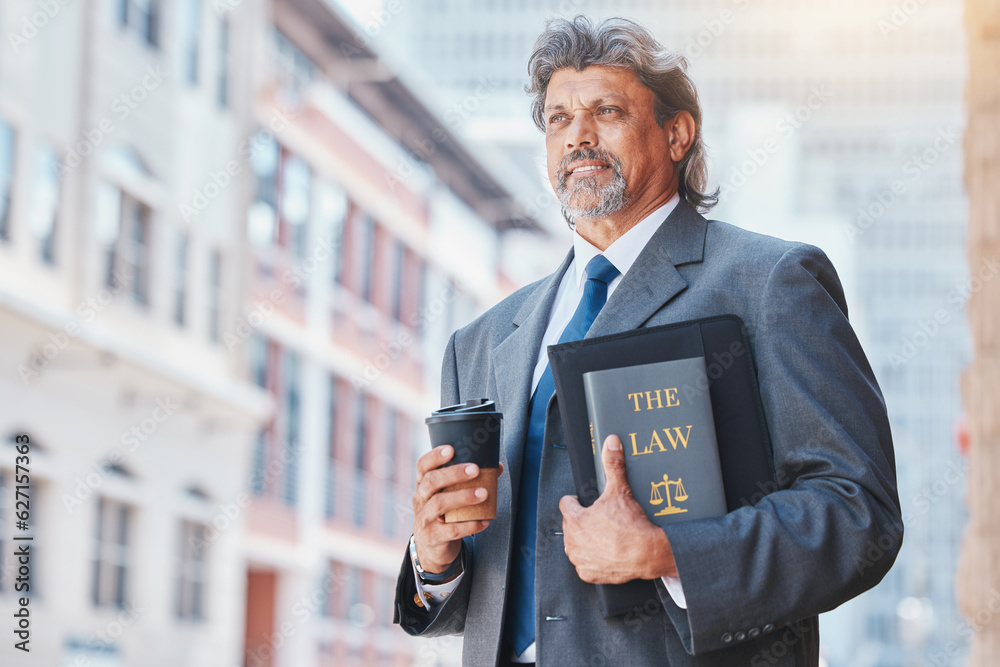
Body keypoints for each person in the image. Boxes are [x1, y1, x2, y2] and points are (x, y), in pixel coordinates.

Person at [394, 16, 902, 667]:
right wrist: (434, 559)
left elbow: (860, 516)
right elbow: (502, 590)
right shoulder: (482, 341)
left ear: (676, 131)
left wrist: (668, 554)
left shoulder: (771, 284)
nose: (578, 135)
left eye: (606, 110)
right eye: (557, 119)